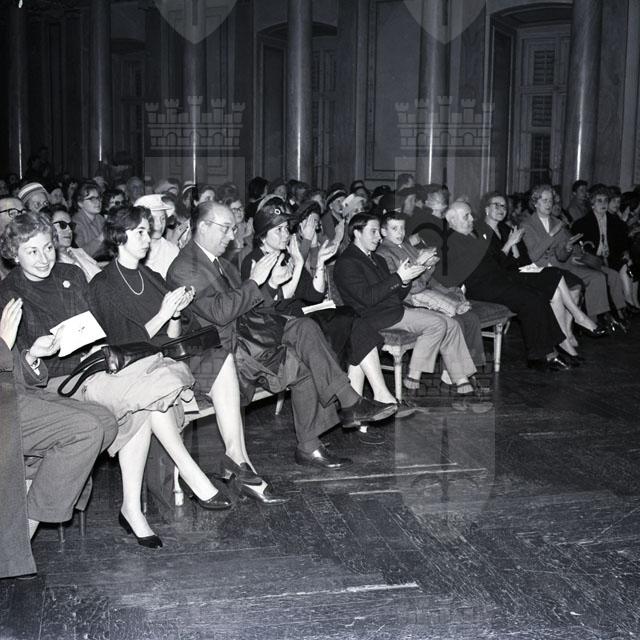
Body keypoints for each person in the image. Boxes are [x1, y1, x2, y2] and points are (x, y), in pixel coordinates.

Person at [0, 212, 231, 550]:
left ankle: (132, 508)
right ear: (13, 254)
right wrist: (34, 353)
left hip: (94, 366)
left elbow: (98, 327)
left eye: (48, 247)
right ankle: (187, 473)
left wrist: (96, 341)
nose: (44, 258)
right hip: (55, 381)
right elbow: (12, 367)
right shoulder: (8, 293)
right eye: (32, 251)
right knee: (153, 382)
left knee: (146, 392)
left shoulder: (70, 274)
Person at [167, 202, 397, 470]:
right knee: (306, 345)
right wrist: (256, 281)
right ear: (204, 226)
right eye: (226, 229)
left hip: (248, 338)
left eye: (233, 229)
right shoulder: (186, 266)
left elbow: (249, 306)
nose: (232, 236)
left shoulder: (219, 263)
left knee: (305, 333)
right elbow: (220, 313)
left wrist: (270, 285)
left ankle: (315, 440)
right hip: (222, 354)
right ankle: (348, 403)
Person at [89, 205, 287, 505]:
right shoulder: (103, 285)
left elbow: (173, 335)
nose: (148, 239)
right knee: (170, 381)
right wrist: (164, 313)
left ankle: (235, 454)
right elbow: (123, 344)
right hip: (136, 367)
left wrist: (175, 313)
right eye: (140, 232)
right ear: (119, 236)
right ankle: (220, 467)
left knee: (220, 356)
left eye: (148, 232)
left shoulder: (151, 275)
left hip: (167, 354)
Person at [241, 203, 411, 414]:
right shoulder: (254, 261)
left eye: (286, 228)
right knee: (351, 322)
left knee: (352, 318)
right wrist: (298, 263)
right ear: (263, 235)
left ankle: (363, 401)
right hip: (282, 326)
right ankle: (370, 399)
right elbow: (276, 303)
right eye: (279, 230)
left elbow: (313, 295)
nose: (286, 234)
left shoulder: (287, 256)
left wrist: (320, 263)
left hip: (302, 317)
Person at [0, 298, 117, 578]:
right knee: (85, 431)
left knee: (105, 422)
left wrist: (31, 356)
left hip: (14, 395)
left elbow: (12, 373)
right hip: (5, 406)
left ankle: (24, 499)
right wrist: (3, 344)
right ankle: (13, 545)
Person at [333, 213, 481, 394]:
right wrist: (398, 277)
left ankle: (460, 377)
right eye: (373, 232)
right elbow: (366, 298)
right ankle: (413, 376)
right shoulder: (347, 262)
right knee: (438, 324)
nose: (378, 237)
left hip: (392, 309)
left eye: (378, 232)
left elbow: (396, 294)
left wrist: (404, 281)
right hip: (372, 317)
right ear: (357, 233)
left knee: (451, 324)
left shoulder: (376, 259)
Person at [442, 202, 571, 371]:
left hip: (495, 279)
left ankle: (548, 350)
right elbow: (462, 274)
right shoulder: (451, 242)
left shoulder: (472, 235)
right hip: (481, 287)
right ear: (452, 220)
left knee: (538, 293)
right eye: (466, 216)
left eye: (470, 214)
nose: (472, 218)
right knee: (530, 299)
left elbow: (496, 261)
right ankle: (543, 354)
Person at [376, 211, 486, 369]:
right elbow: (406, 286)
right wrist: (422, 265)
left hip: (424, 292)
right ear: (383, 231)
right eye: (395, 229)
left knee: (471, 318)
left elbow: (425, 280)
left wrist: (432, 272)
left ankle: (473, 368)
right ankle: (453, 373)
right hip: (409, 300)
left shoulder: (406, 245)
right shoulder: (383, 253)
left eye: (402, 228)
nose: (400, 233)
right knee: (457, 321)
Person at [521, 184, 622, 330]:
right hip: (542, 268)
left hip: (562, 264)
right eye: (545, 200)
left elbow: (561, 256)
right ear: (535, 203)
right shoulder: (527, 224)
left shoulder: (557, 222)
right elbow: (534, 255)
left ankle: (592, 321)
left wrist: (567, 248)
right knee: (575, 286)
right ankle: (578, 324)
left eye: (551, 200)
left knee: (597, 277)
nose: (549, 204)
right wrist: (551, 235)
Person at [135, 194, 179, 278]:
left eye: (162, 219)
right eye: (154, 219)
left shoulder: (172, 250)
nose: (160, 224)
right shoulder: (132, 250)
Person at [72, 181, 107, 259]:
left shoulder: (100, 218)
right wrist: (101, 237)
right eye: (91, 199)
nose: (98, 202)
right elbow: (79, 255)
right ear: (80, 203)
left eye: (98, 197)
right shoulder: (76, 224)